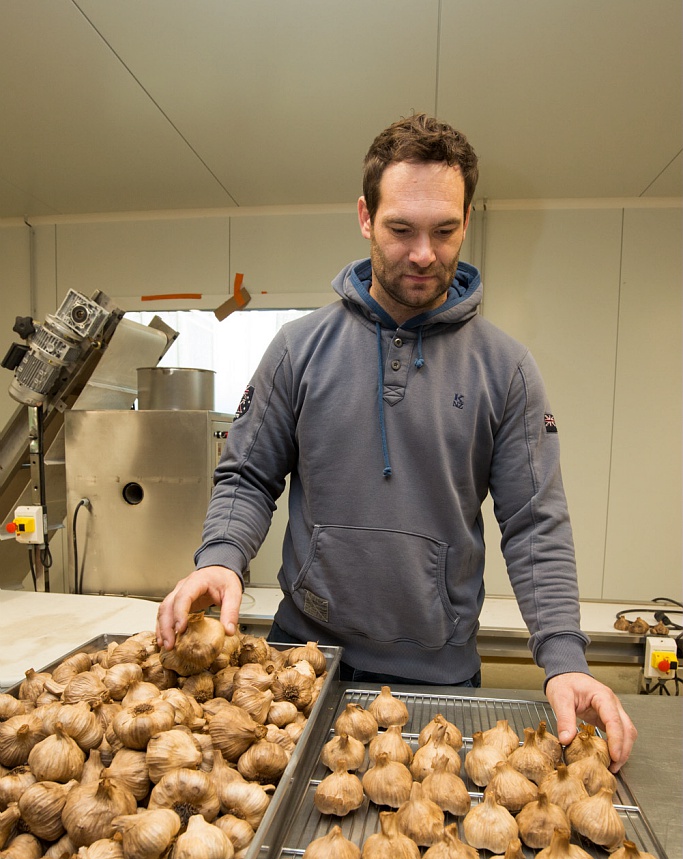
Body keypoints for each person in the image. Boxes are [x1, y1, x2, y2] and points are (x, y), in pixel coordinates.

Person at [157, 113, 637, 771]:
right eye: (401, 229)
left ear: (466, 221)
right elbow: (247, 476)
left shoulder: (506, 369)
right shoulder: (297, 349)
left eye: (444, 231)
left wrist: (563, 657)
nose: (423, 254)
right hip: (302, 668)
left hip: (438, 682)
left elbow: (535, 524)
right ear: (365, 217)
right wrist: (220, 557)